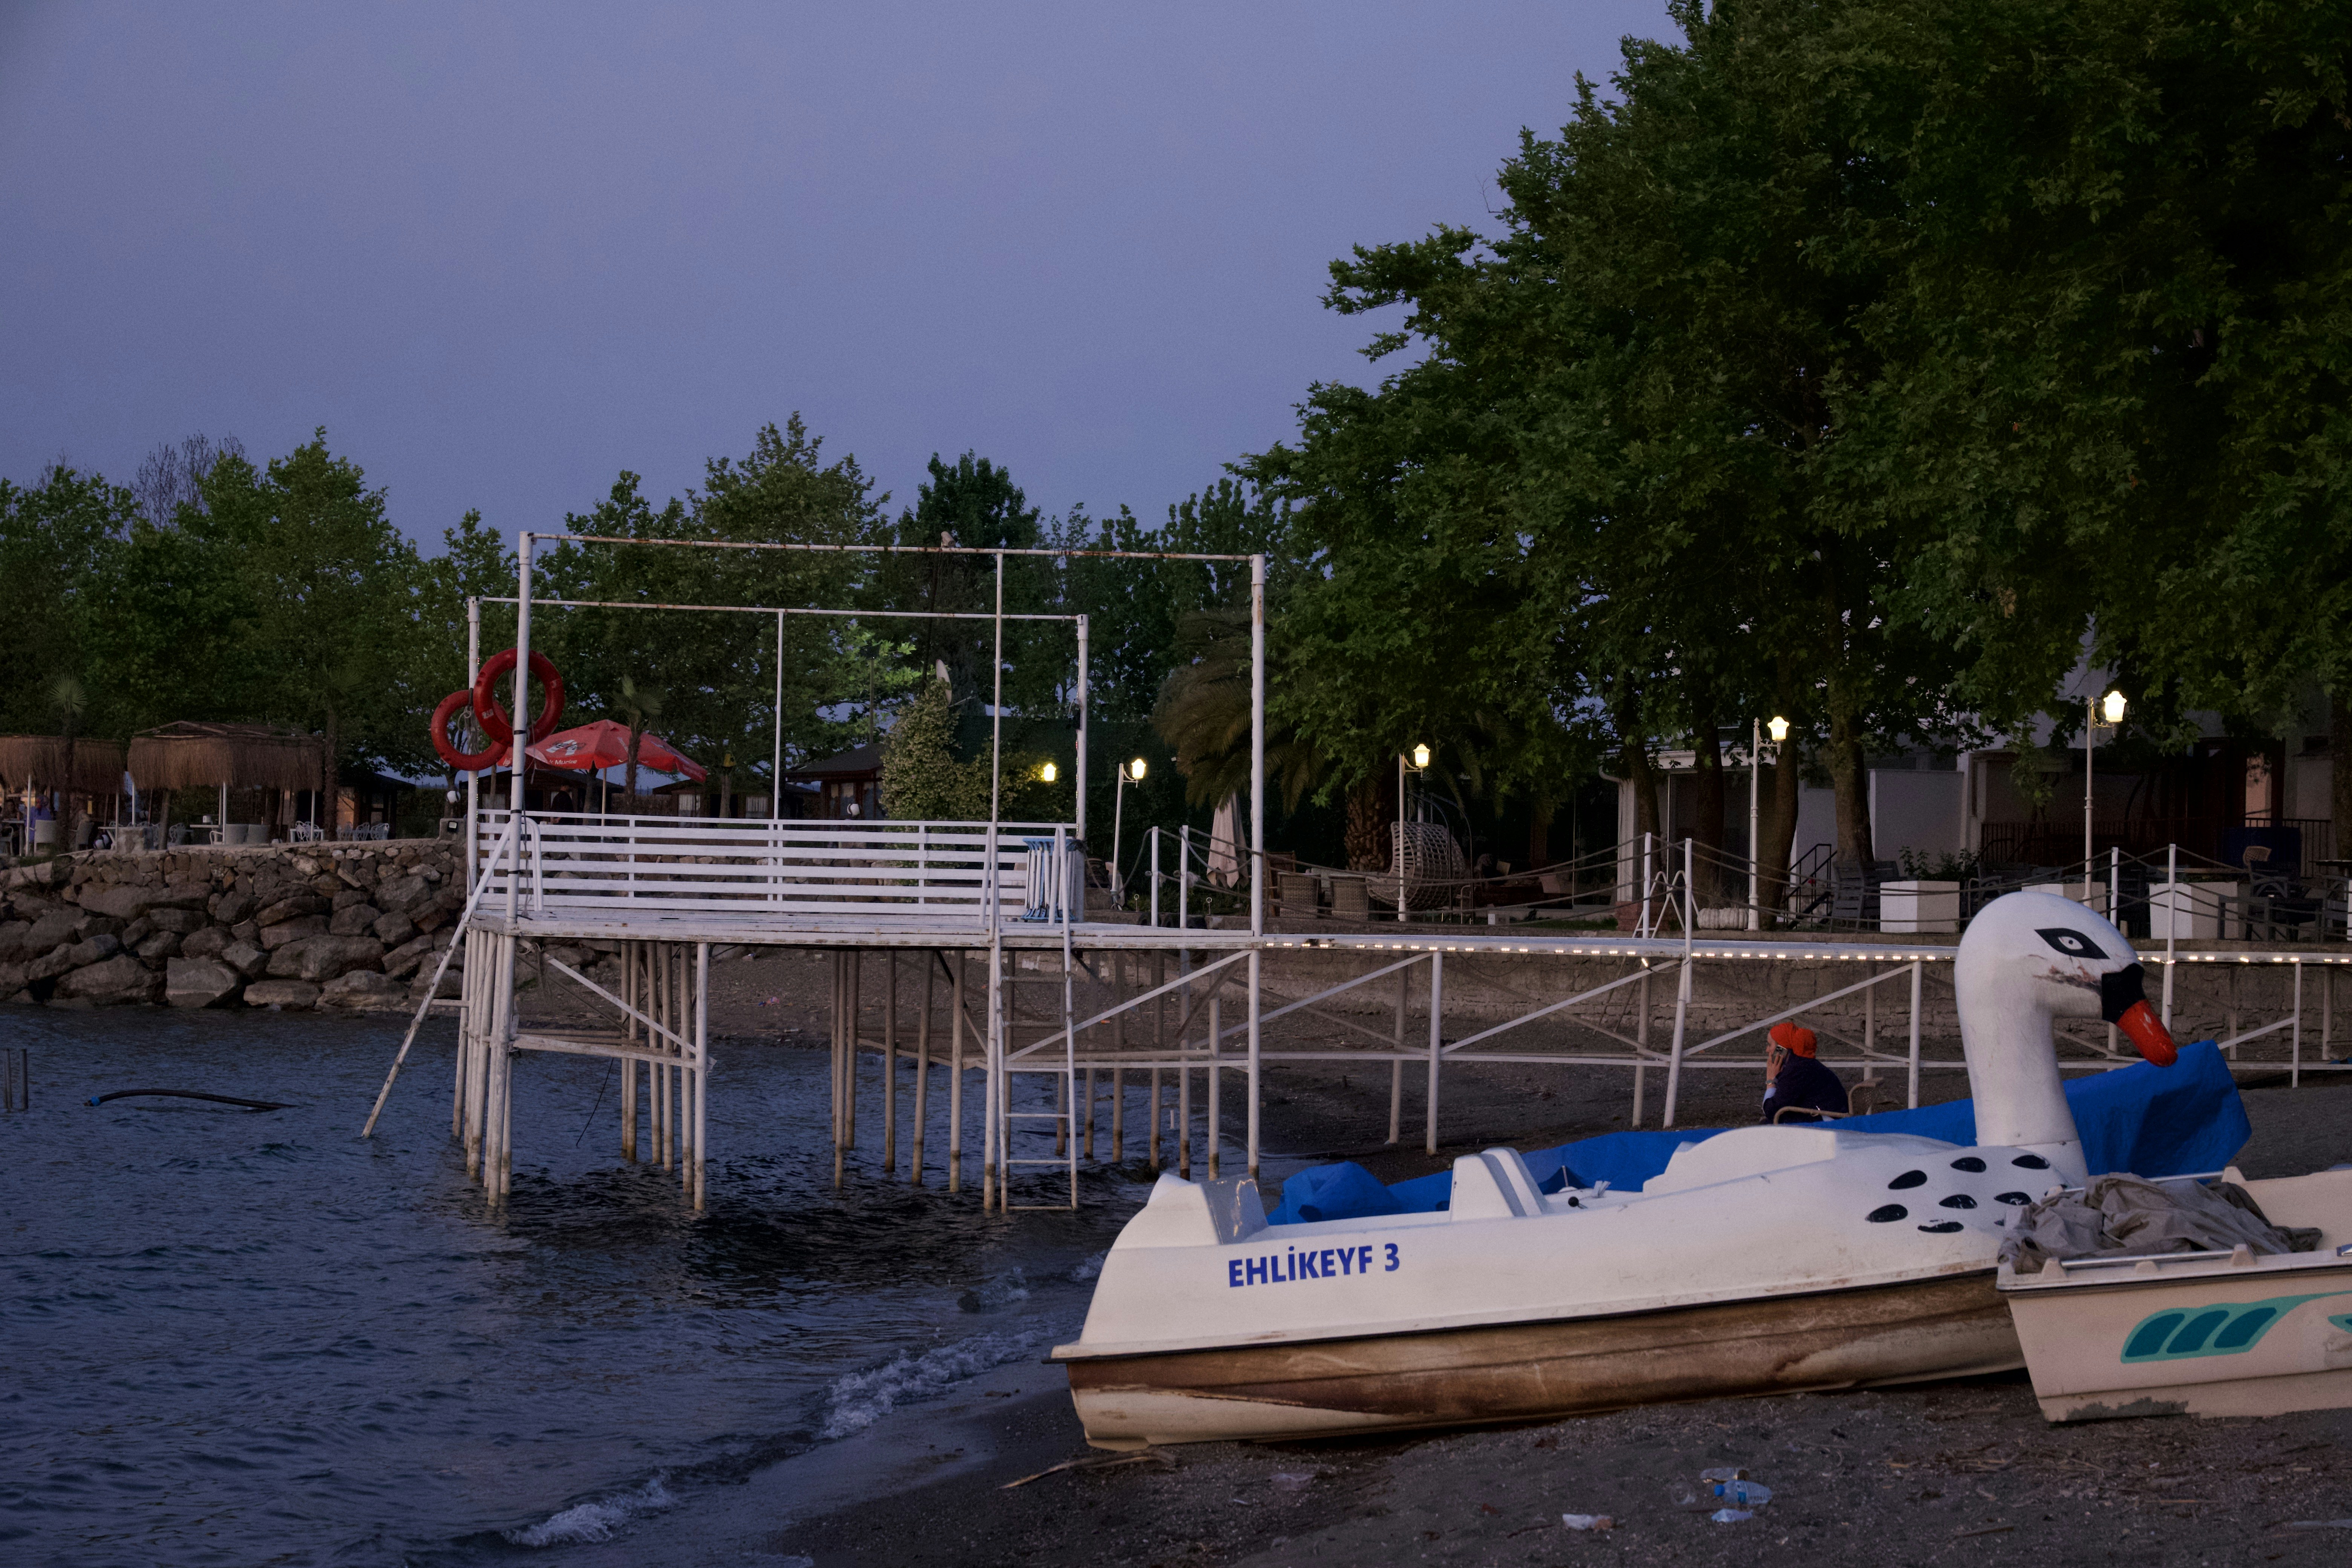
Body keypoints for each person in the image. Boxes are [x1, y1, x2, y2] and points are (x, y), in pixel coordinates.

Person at [1759, 1021, 1849, 1123]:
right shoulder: (1803, 1064)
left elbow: (1772, 1111)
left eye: (1770, 1045)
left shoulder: (1796, 1070)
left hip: (1829, 1123)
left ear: (1780, 1049)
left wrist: (1771, 1081)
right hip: (1831, 1117)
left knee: (1766, 1124)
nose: (1767, 1050)